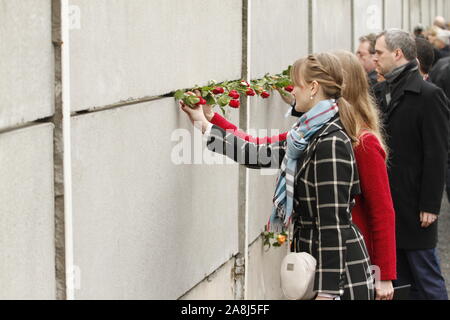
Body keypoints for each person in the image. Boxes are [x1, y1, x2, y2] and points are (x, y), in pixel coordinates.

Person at [200, 51, 397, 300]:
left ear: (315, 88)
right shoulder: (306, 134)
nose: (291, 91)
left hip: (337, 270)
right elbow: (259, 152)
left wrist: (331, 291)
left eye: (297, 85)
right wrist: (206, 123)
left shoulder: (332, 140)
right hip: (316, 260)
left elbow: (338, 223)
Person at [373, 29, 449, 300]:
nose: (373, 58)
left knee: (426, 278)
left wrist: (430, 204)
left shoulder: (429, 95)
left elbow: (437, 153)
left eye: (378, 52)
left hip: (416, 205)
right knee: (400, 281)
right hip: (388, 202)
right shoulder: (380, 91)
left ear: (397, 53)